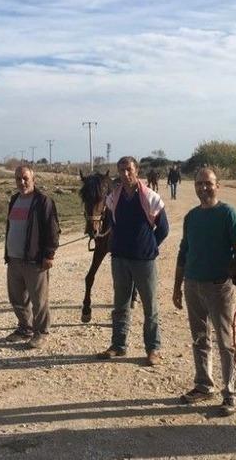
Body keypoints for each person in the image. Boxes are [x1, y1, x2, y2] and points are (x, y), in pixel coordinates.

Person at [172, 167, 236, 416]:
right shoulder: (191, 217)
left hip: (218, 286)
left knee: (225, 342)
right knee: (200, 338)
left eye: (208, 183)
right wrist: (177, 286)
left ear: (217, 185)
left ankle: (231, 392)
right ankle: (203, 385)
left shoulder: (228, 214)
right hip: (192, 284)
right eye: (199, 183)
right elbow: (183, 252)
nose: (203, 187)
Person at [97, 156, 169, 366]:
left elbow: (163, 229)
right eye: (121, 170)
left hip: (144, 261)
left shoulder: (151, 198)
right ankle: (118, 346)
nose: (125, 174)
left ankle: (153, 348)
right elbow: (113, 226)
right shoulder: (113, 198)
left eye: (129, 169)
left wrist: (148, 247)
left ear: (137, 170)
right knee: (120, 305)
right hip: (120, 259)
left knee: (150, 306)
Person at [3, 165, 60, 349]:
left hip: (34, 260)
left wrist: (49, 254)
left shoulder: (43, 201)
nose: (22, 182)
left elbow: (53, 230)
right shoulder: (14, 200)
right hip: (14, 259)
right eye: (18, 178)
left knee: (39, 300)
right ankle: (25, 328)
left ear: (33, 179)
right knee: (17, 298)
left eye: (25, 178)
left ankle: (41, 332)